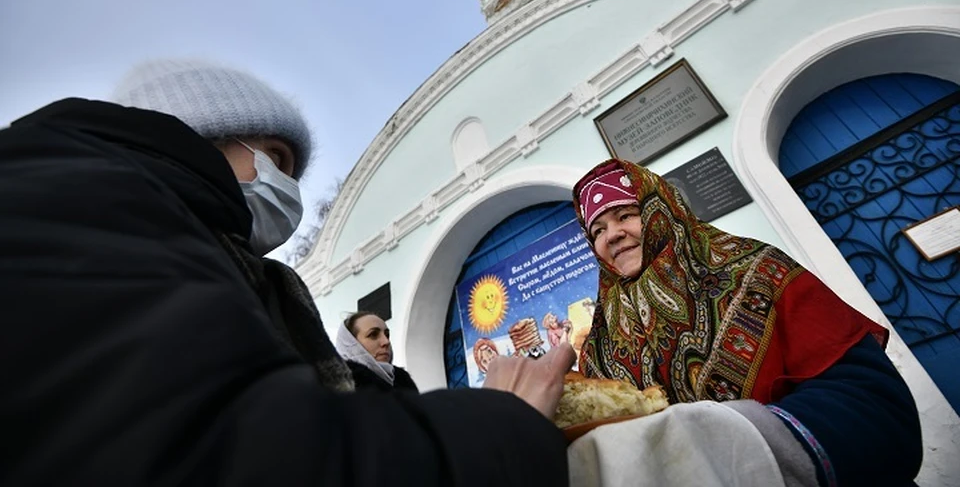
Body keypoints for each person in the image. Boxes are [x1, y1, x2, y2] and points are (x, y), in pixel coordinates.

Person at [0, 59, 575, 486]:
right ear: (201, 133)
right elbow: (252, 457)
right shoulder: (81, 198)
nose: (289, 188)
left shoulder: (192, 250)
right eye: (275, 159)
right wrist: (506, 425)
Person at [569, 159, 923, 487]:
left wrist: (715, 445)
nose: (611, 235)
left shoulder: (762, 273)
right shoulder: (600, 347)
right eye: (597, 229)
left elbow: (875, 409)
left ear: (662, 209)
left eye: (626, 215)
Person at [335, 311, 418, 392]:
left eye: (387, 335)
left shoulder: (404, 383)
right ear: (351, 344)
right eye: (373, 334)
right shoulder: (338, 391)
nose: (386, 342)